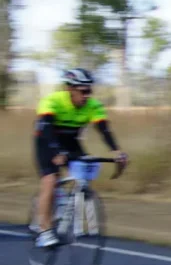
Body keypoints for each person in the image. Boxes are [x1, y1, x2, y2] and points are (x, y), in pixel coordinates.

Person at [33, 68, 128, 248]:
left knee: (84, 173)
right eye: (83, 91)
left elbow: (104, 130)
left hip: (71, 142)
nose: (87, 95)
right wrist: (56, 151)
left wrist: (117, 151)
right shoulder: (52, 101)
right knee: (50, 180)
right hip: (47, 141)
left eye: (89, 90)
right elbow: (46, 129)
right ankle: (44, 231)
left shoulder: (93, 105)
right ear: (70, 89)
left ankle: (72, 212)